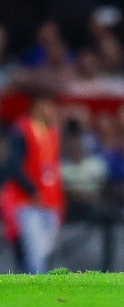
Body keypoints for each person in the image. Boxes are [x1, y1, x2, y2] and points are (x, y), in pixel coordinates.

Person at [0, 88, 65, 273]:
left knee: (45, 251)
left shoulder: (52, 132)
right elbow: (13, 166)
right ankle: (36, 295)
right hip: (28, 202)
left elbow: (52, 169)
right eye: (48, 105)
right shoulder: (22, 130)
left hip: (50, 202)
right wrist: (32, 190)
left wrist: (58, 202)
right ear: (37, 106)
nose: (52, 110)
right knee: (35, 254)